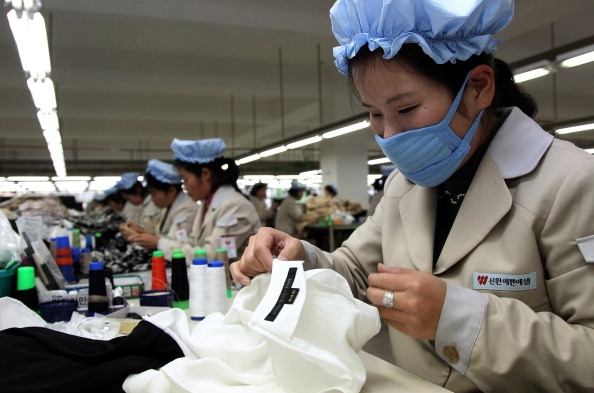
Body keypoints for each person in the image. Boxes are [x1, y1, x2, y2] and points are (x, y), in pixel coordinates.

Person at [231, 0, 594, 392]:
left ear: (479, 87)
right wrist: (300, 257)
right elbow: (356, 273)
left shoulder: (570, 183)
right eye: (373, 114)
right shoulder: (404, 185)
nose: (390, 135)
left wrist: (457, 319)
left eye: (407, 108)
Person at [157, 138, 261, 264]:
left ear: (205, 174)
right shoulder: (207, 204)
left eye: (185, 179)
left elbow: (213, 255)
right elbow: (193, 243)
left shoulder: (235, 206)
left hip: (245, 281)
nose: (184, 186)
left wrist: (160, 243)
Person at [127, 159, 198, 251]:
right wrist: (146, 235)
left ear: (172, 191)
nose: (152, 199)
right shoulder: (167, 207)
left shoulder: (187, 209)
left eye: (154, 194)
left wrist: (155, 241)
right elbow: (165, 236)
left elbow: (177, 244)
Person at [116, 172, 163, 239]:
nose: (130, 202)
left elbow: (157, 231)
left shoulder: (155, 204)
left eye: (129, 198)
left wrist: (136, 233)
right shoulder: (141, 206)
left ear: (137, 190)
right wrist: (133, 227)